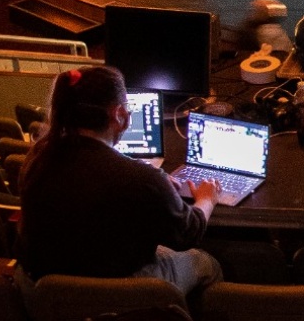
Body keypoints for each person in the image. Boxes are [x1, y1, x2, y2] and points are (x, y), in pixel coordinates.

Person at [18, 66, 222, 295]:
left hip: (47, 293)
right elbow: (188, 234)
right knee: (205, 263)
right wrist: (207, 199)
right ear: (119, 115)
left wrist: (155, 184)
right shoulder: (142, 179)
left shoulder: (36, 158)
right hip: (117, 293)